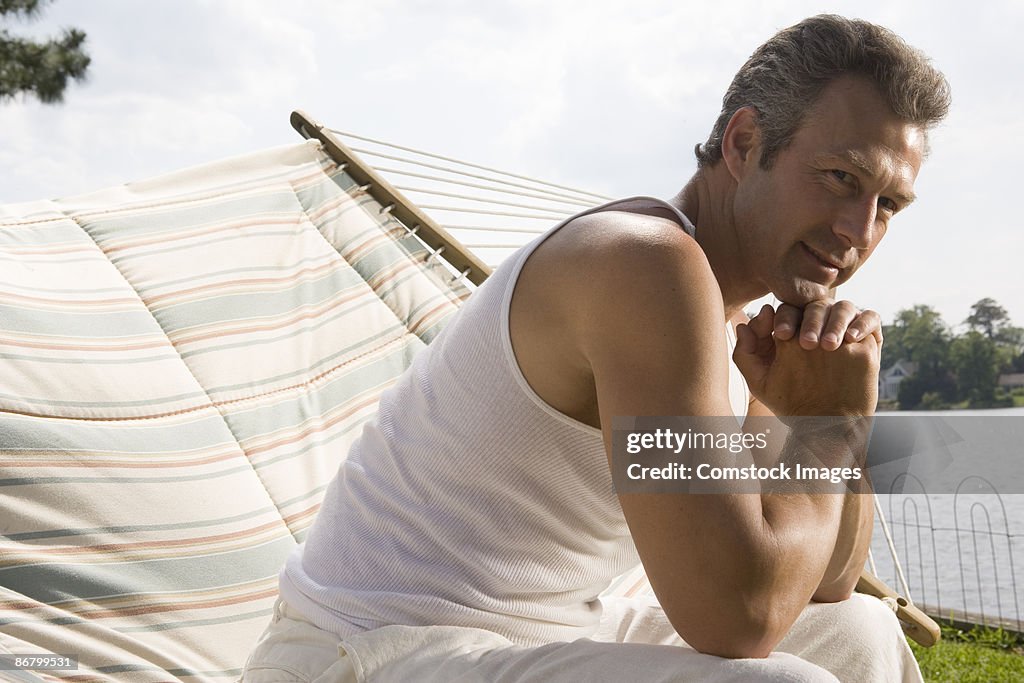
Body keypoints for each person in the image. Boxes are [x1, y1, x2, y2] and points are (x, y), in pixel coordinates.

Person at [243, 14, 950, 683]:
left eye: (888, 205)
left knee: (862, 630)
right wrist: (824, 431)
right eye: (841, 179)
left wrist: (838, 416)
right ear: (743, 145)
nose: (859, 229)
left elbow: (819, 580)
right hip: (366, 647)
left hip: (534, 631)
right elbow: (739, 616)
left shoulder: (749, 331)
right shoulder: (643, 266)